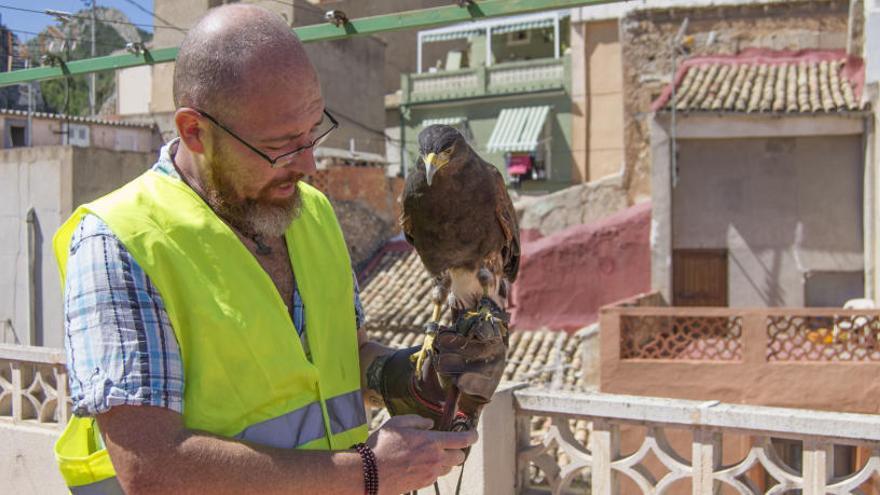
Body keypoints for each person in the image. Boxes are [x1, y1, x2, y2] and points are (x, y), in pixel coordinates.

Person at [52, 5, 479, 494]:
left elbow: (347, 354)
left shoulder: (311, 211)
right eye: (281, 145)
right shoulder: (118, 242)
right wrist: (369, 471)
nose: (309, 163)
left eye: (314, 130)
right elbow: (151, 467)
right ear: (195, 131)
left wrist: (418, 375)